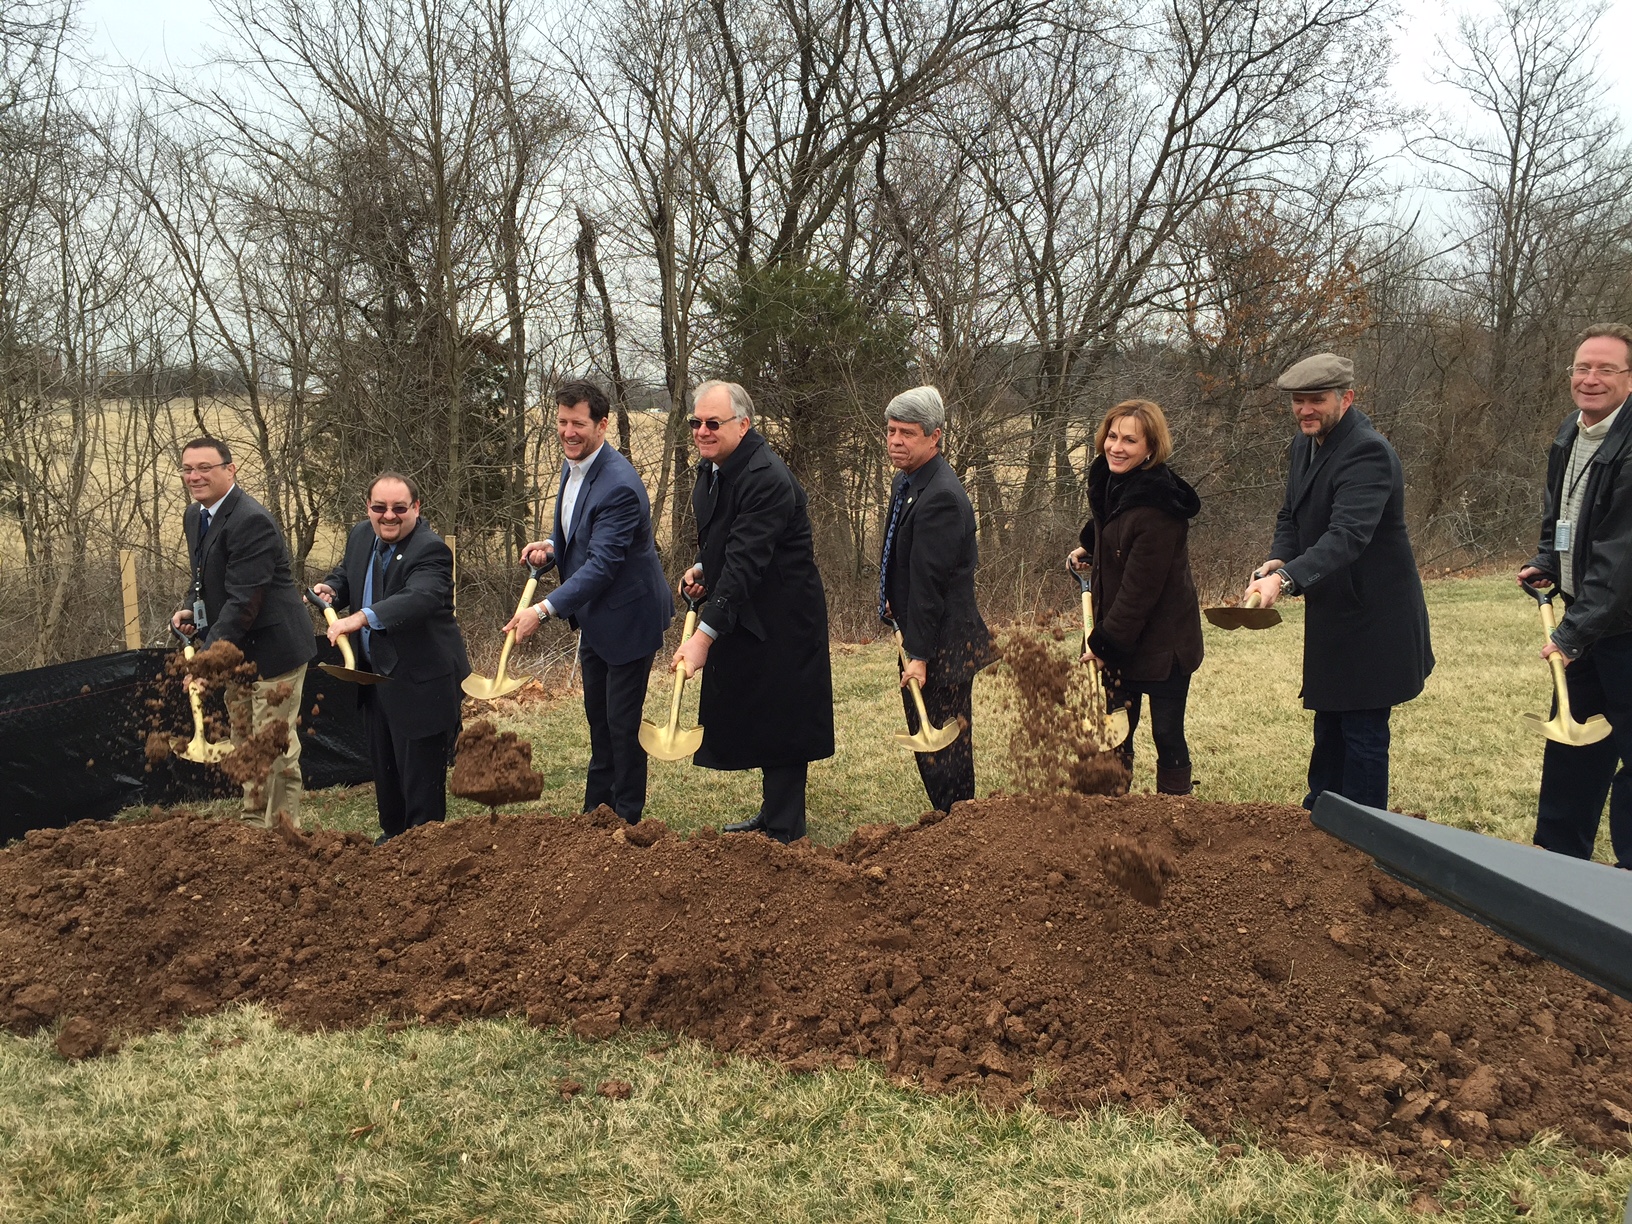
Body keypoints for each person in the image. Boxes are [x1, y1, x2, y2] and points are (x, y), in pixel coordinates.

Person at [1245, 353, 1433, 812]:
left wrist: (1285, 579)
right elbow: (1290, 514)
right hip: (1334, 611)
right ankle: (1320, 819)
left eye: (1317, 400)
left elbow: (1347, 536)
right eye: (1298, 400)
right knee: (1329, 724)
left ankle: (1364, 833)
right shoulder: (1304, 444)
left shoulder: (1367, 452)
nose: (1305, 409)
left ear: (1346, 399)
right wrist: (1278, 558)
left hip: (1375, 618)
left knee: (1362, 734)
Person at [672, 380, 835, 842]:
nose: (702, 431)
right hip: (752, 609)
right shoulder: (715, 466)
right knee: (764, 712)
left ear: (743, 425)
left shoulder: (765, 477)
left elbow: (745, 563)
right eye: (696, 422)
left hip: (785, 615)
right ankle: (772, 814)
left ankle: (785, 828)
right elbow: (727, 536)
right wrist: (704, 565)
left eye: (713, 423)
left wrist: (703, 638)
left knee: (783, 716)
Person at [504, 380, 673, 825]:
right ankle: (596, 814)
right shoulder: (574, 465)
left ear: (602, 425)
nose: (568, 432)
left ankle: (628, 819)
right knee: (599, 719)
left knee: (622, 724)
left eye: (578, 423)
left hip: (630, 617)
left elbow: (602, 565)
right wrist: (552, 547)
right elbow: (580, 531)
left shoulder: (619, 485)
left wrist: (542, 610)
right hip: (597, 616)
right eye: (562, 422)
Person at [1518, 323, 1632, 867]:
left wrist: (1572, 633)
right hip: (1587, 621)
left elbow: (1620, 556)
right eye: (1583, 367)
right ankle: (1555, 871)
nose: (1591, 379)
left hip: (1623, 628)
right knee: (1572, 748)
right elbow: (1561, 515)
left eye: (1606, 369)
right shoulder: (1573, 431)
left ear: (1630, 378)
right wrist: (1548, 560)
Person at [314, 473, 468, 843]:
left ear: (416, 507)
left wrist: (361, 618)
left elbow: (418, 598)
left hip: (421, 683)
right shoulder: (361, 535)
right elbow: (348, 574)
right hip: (374, 678)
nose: (388, 516)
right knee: (385, 772)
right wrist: (332, 588)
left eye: (399, 508)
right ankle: (392, 840)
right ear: (367, 507)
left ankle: (423, 848)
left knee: (420, 781)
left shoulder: (430, 550)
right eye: (379, 507)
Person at [171, 437, 314, 826]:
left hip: (275, 651)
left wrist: (204, 663)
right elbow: (203, 578)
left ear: (229, 469)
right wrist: (190, 607)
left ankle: (282, 832)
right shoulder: (195, 515)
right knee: (244, 740)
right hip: (237, 651)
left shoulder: (251, 520)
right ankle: (253, 827)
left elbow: (243, 602)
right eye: (188, 469)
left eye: (205, 468)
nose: (194, 476)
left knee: (273, 746)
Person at [1067, 399, 1203, 795]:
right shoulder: (1111, 480)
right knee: (1116, 730)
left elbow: (1138, 592)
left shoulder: (1161, 507)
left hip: (1164, 643)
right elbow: (1113, 523)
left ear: (1150, 449)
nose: (1116, 447)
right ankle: (1113, 811)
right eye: (1112, 436)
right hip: (1120, 634)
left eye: (1130, 440)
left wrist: (1103, 644)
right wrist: (1091, 545)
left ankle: (1174, 812)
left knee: (1167, 734)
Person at [878, 386, 994, 812]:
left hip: (943, 645)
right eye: (891, 430)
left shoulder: (941, 496)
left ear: (935, 436)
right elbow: (903, 557)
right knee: (928, 745)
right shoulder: (907, 481)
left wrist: (919, 656)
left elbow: (931, 587)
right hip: (922, 635)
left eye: (907, 433)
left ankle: (959, 825)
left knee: (945, 751)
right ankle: (950, 824)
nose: (895, 441)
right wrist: (891, 597)